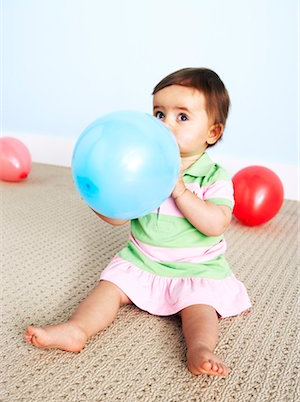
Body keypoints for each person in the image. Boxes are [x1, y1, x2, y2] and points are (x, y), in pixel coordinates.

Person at [25, 68, 251, 376]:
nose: (166, 124)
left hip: (196, 268)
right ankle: (76, 329)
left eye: (182, 117)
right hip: (143, 261)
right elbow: (119, 218)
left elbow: (215, 224)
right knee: (107, 289)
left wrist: (180, 190)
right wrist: (98, 197)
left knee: (201, 308)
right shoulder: (143, 166)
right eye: (159, 113)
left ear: (212, 132)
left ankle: (200, 348)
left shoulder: (214, 177)